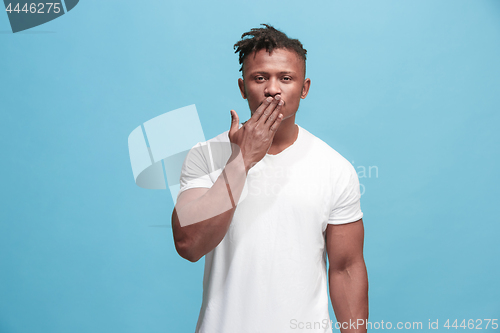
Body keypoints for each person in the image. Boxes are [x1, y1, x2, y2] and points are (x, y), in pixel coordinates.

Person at [171, 24, 368, 333]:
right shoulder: (205, 155)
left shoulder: (335, 168)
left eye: (286, 78)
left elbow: (345, 268)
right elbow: (189, 245)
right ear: (242, 86)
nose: (273, 89)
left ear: (304, 88)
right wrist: (242, 160)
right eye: (260, 77)